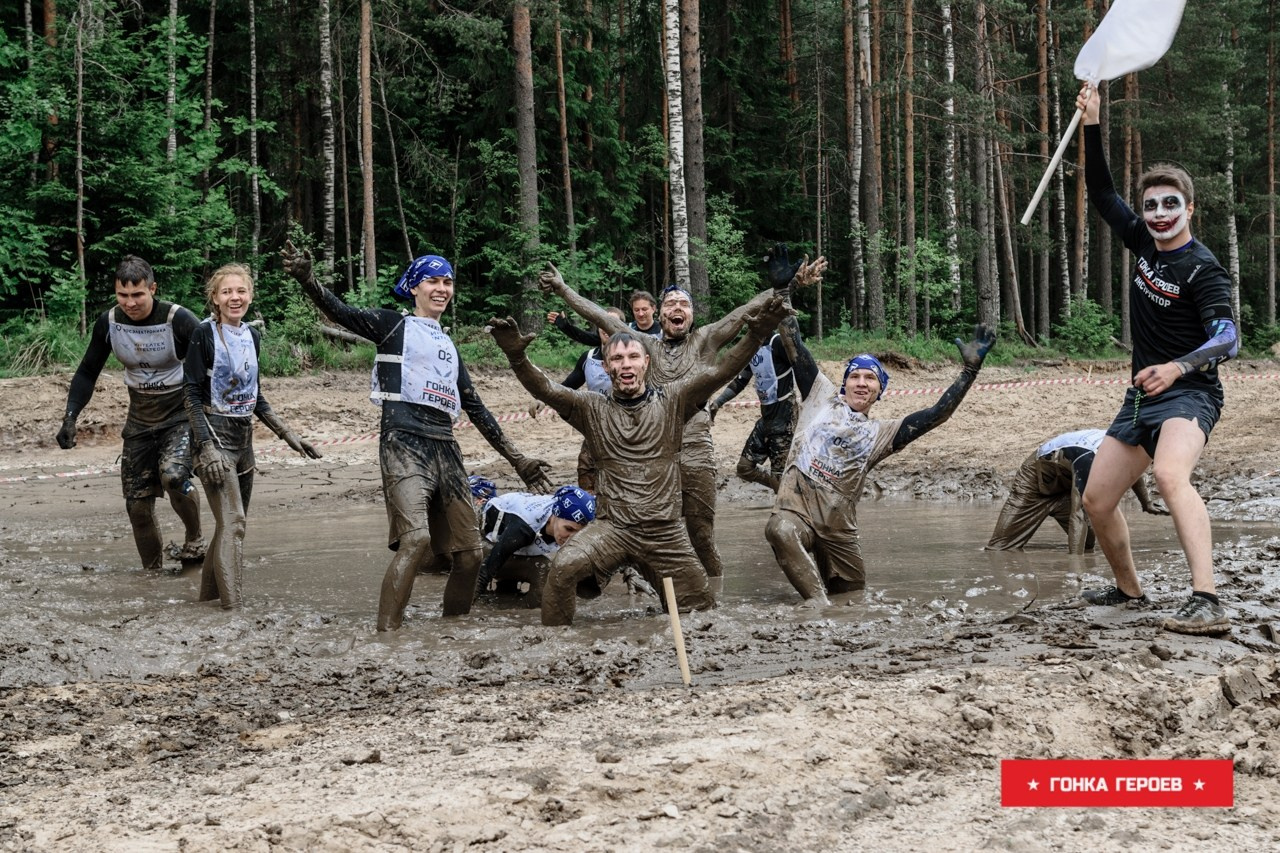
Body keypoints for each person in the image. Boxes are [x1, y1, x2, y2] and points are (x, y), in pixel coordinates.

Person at [281, 243, 553, 630]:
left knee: (471, 554)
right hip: (403, 441)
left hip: (446, 447)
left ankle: (452, 630)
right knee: (416, 540)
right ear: (414, 287)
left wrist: (518, 459)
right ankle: (387, 633)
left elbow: (476, 408)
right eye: (433, 281)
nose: (442, 288)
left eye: (448, 282)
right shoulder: (393, 325)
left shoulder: (449, 345)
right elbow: (341, 312)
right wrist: (308, 279)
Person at [487, 290, 790, 626]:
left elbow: (720, 371)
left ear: (646, 362)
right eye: (617, 359)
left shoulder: (673, 400)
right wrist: (517, 357)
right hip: (612, 529)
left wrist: (757, 334)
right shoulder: (590, 407)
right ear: (606, 366)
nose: (626, 364)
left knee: (700, 613)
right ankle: (557, 642)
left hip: (665, 534)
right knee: (563, 568)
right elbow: (547, 389)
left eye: (633, 357)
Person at [538, 244, 826, 577]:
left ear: (691, 315)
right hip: (654, 451)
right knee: (649, 533)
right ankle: (654, 587)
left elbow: (744, 310)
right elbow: (599, 317)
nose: (677, 308)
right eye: (671, 304)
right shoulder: (645, 344)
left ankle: (713, 591)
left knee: (701, 537)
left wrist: (789, 285)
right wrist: (563, 289)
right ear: (660, 315)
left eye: (684, 304)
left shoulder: (706, 338)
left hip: (695, 449)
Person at [1076, 84, 1239, 636]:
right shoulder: (1143, 242)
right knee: (1097, 499)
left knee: (1170, 475)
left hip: (1191, 393)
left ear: (1189, 209)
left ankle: (1207, 599)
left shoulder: (1204, 269)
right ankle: (1128, 591)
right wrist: (1092, 122)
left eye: (1171, 204)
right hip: (1141, 398)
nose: (1160, 213)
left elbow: (1227, 339)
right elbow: (1101, 191)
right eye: (1151, 205)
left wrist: (1177, 366)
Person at [766, 323, 996, 605]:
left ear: (880, 390)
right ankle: (818, 606)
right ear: (845, 384)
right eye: (855, 376)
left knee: (852, 595)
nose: (861, 383)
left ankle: (832, 607)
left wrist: (969, 372)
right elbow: (795, 344)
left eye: (870, 378)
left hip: (838, 529)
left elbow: (937, 414)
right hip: (796, 510)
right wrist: (782, 301)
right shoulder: (820, 396)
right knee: (780, 530)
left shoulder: (882, 433)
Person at [183, 264, 321, 609]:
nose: (235, 297)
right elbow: (190, 395)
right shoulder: (203, 335)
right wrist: (206, 447)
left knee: (227, 526)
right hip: (213, 440)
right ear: (215, 298)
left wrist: (289, 435)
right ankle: (234, 611)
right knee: (235, 523)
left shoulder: (253, 336)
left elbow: (256, 397)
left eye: (241, 291)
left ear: (250, 295)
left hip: (244, 442)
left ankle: (207, 601)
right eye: (227, 292)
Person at [55, 255, 205, 572]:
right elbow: (87, 372)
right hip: (139, 420)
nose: (130, 303)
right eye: (123, 295)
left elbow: (210, 367)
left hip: (181, 415)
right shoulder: (109, 322)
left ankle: (195, 539)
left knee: (174, 476)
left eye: (137, 294)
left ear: (153, 289)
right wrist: (70, 417)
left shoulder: (178, 319)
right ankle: (151, 574)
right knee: (136, 504)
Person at [985, 429, 1166, 554]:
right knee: (1000, 548)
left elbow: (1133, 469)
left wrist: (1146, 503)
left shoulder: (1128, 446)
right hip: (1035, 483)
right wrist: (1075, 566)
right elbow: (1078, 514)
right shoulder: (1090, 457)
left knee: (1087, 544)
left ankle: (1064, 522)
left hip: (1066, 487)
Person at [707, 315, 802, 492]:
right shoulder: (753, 349)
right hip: (766, 419)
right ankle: (789, 490)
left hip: (784, 418)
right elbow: (740, 381)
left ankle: (788, 493)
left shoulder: (778, 343)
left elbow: (801, 364)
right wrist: (718, 403)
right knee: (744, 468)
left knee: (779, 476)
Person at [473, 484, 596, 607]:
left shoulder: (565, 521)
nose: (572, 538)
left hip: (511, 538)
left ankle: (506, 594)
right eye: (568, 529)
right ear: (554, 516)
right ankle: (506, 608)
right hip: (481, 542)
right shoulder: (524, 528)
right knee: (542, 569)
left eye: (579, 533)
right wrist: (469, 607)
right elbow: (486, 570)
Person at [546, 288, 661, 345]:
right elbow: (589, 338)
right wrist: (565, 326)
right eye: (636, 310)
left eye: (644, 309)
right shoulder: (625, 329)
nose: (640, 314)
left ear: (654, 308)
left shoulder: (664, 331)